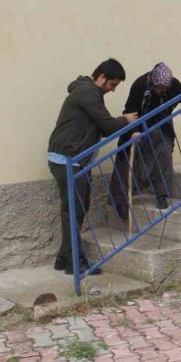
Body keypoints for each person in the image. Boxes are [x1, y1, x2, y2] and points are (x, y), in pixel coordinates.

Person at [47, 58, 137, 275]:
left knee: (77, 209)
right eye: (112, 84)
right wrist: (126, 120)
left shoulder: (88, 91)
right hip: (68, 159)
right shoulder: (89, 93)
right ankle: (75, 264)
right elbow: (106, 125)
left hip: (73, 159)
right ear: (101, 77)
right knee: (74, 210)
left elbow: (101, 125)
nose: (113, 90)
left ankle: (63, 258)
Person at [108, 62, 181, 214]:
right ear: (153, 82)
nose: (161, 91)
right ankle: (120, 201)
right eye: (158, 87)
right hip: (138, 129)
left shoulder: (171, 84)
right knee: (126, 161)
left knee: (164, 156)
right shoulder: (140, 85)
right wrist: (133, 131)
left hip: (161, 127)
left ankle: (161, 195)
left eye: (164, 88)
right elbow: (130, 112)